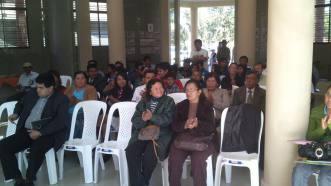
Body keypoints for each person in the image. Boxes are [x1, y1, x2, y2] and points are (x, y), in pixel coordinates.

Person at [0, 72, 69, 186]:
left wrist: (41, 132)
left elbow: (60, 121)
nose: (37, 90)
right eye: (37, 87)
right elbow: (20, 103)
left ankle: (29, 180)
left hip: (48, 134)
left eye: (41, 88)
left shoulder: (61, 99)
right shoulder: (32, 94)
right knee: (3, 146)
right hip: (27, 131)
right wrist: (16, 113)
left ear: (51, 88)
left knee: (36, 148)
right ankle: (18, 178)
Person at [126, 79, 175, 186]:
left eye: (161, 87)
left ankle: (142, 182)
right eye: (156, 88)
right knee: (131, 152)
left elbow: (168, 119)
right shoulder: (143, 102)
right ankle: (140, 183)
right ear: (150, 91)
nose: (160, 90)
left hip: (161, 135)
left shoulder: (169, 101)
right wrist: (143, 119)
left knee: (149, 155)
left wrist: (152, 116)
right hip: (143, 133)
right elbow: (135, 120)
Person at [168, 79, 217, 186]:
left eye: (191, 90)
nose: (188, 92)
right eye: (187, 90)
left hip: (203, 141)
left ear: (199, 91)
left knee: (197, 160)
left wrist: (198, 124)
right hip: (183, 140)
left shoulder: (207, 106)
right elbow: (174, 125)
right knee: (174, 158)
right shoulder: (180, 106)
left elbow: (211, 127)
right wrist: (184, 125)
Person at [292, 85, 331, 186]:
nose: (330, 99)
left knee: (325, 178)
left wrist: (329, 126)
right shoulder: (316, 111)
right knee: (299, 171)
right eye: (328, 95)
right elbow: (310, 136)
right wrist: (321, 129)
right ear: (325, 96)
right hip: (314, 155)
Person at [64, 71, 97, 138]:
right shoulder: (71, 88)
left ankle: (71, 140)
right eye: (77, 78)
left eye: (82, 78)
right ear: (74, 80)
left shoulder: (90, 88)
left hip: (84, 113)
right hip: (68, 112)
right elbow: (63, 100)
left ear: (86, 79)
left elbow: (92, 104)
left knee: (74, 119)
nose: (80, 81)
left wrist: (76, 100)